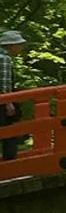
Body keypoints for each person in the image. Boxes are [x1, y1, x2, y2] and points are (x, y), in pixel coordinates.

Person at [0, 30, 28, 161]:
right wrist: (9, 102)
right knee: (9, 128)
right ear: (10, 45)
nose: (21, 47)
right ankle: (10, 161)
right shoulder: (4, 58)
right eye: (19, 44)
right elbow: (5, 83)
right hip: (3, 101)